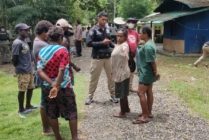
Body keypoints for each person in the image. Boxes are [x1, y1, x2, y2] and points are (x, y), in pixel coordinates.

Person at [37, 26, 82, 140]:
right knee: (72, 111)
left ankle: (58, 138)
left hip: (48, 87)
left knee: (52, 112)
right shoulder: (63, 50)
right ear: (61, 37)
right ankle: (74, 138)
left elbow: (39, 70)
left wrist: (52, 85)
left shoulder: (42, 51)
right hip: (64, 87)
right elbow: (62, 69)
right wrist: (57, 86)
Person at [85, 11, 119, 105]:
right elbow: (89, 43)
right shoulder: (93, 30)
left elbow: (109, 41)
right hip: (97, 58)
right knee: (94, 78)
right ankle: (90, 96)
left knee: (111, 77)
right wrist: (101, 43)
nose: (104, 21)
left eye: (106, 20)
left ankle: (113, 95)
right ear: (98, 18)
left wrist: (115, 46)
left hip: (108, 57)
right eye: (103, 19)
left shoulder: (107, 29)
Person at [133, 26, 159, 124]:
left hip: (146, 73)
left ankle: (144, 116)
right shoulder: (151, 43)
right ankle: (148, 112)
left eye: (140, 33)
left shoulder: (148, 46)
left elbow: (152, 61)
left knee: (140, 93)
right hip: (148, 73)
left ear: (145, 34)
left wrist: (155, 72)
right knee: (149, 92)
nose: (139, 35)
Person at [32, 20, 54, 135]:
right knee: (44, 102)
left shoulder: (38, 42)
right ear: (44, 32)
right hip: (44, 76)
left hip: (44, 75)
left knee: (47, 100)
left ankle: (50, 123)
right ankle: (46, 128)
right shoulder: (41, 44)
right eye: (49, 32)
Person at [12, 23, 37, 114]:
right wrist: (18, 68)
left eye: (28, 30)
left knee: (31, 88)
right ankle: (21, 109)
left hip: (29, 69)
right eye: (25, 30)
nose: (28, 31)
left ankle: (28, 105)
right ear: (19, 31)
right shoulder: (17, 43)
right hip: (22, 70)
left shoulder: (24, 41)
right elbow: (14, 58)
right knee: (22, 90)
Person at [111, 28, 130, 118]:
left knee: (121, 93)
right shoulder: (118, 45)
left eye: (121, 36)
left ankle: (122, 113)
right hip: (118, 72)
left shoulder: (124, 45)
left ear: (125, 37)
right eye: (117, 36)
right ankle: (126, 108)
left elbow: (125, 49)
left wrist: (126, 54)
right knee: (124, 92)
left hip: (122, 73)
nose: (118, 38)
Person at [126, 17, 140, 93]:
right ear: (126, 23)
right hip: (124, 55)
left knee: (131, 70)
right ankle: (123, 87)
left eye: (133, 22)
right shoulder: (124, 32)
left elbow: (137, 41)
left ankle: (130, 87)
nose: (131, 24)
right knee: (124, 70)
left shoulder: (135, 33)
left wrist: (134, 49)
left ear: (135, 24)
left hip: (132, 55)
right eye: (129, 22)